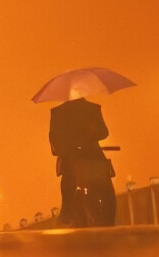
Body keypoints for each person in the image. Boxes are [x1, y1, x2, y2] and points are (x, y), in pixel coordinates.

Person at [49, 96, 115, 225]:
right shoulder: (93, 108)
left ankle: (66, 213)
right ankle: (110, 218)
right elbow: (104, 133)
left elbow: (53, 137)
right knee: (107, 187)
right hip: (92, 155)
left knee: (68, 181)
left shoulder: (57, 112)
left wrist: (64, 148)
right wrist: (90, 134)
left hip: (70, 156)